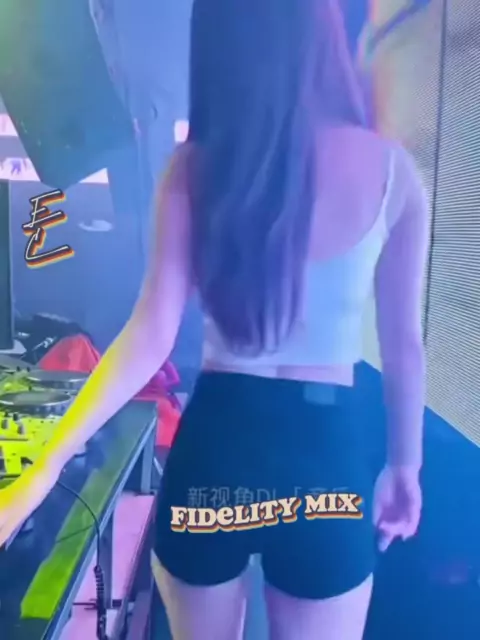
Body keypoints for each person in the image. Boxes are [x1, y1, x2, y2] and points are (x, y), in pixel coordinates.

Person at [0, 0, 428, 638]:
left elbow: (150, 333)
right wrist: (404, 466)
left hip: (220, 448)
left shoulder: (196, 167)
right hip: (326, 461)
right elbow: (403, 348)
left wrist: (47, 466)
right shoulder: (393, 172)